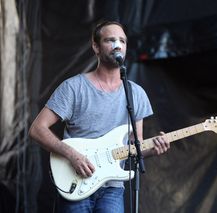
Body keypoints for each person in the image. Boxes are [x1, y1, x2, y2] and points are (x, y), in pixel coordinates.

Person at [29, 20, 170, 213]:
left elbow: (135, 146)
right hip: (76, 182)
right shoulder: (74, 88)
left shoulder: (135, 94)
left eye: (122, 41)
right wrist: (72, 156)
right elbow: (37, 129)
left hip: (112, 189)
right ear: (96, 46)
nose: (117, 45)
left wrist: (153, 149)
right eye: (110, 40)